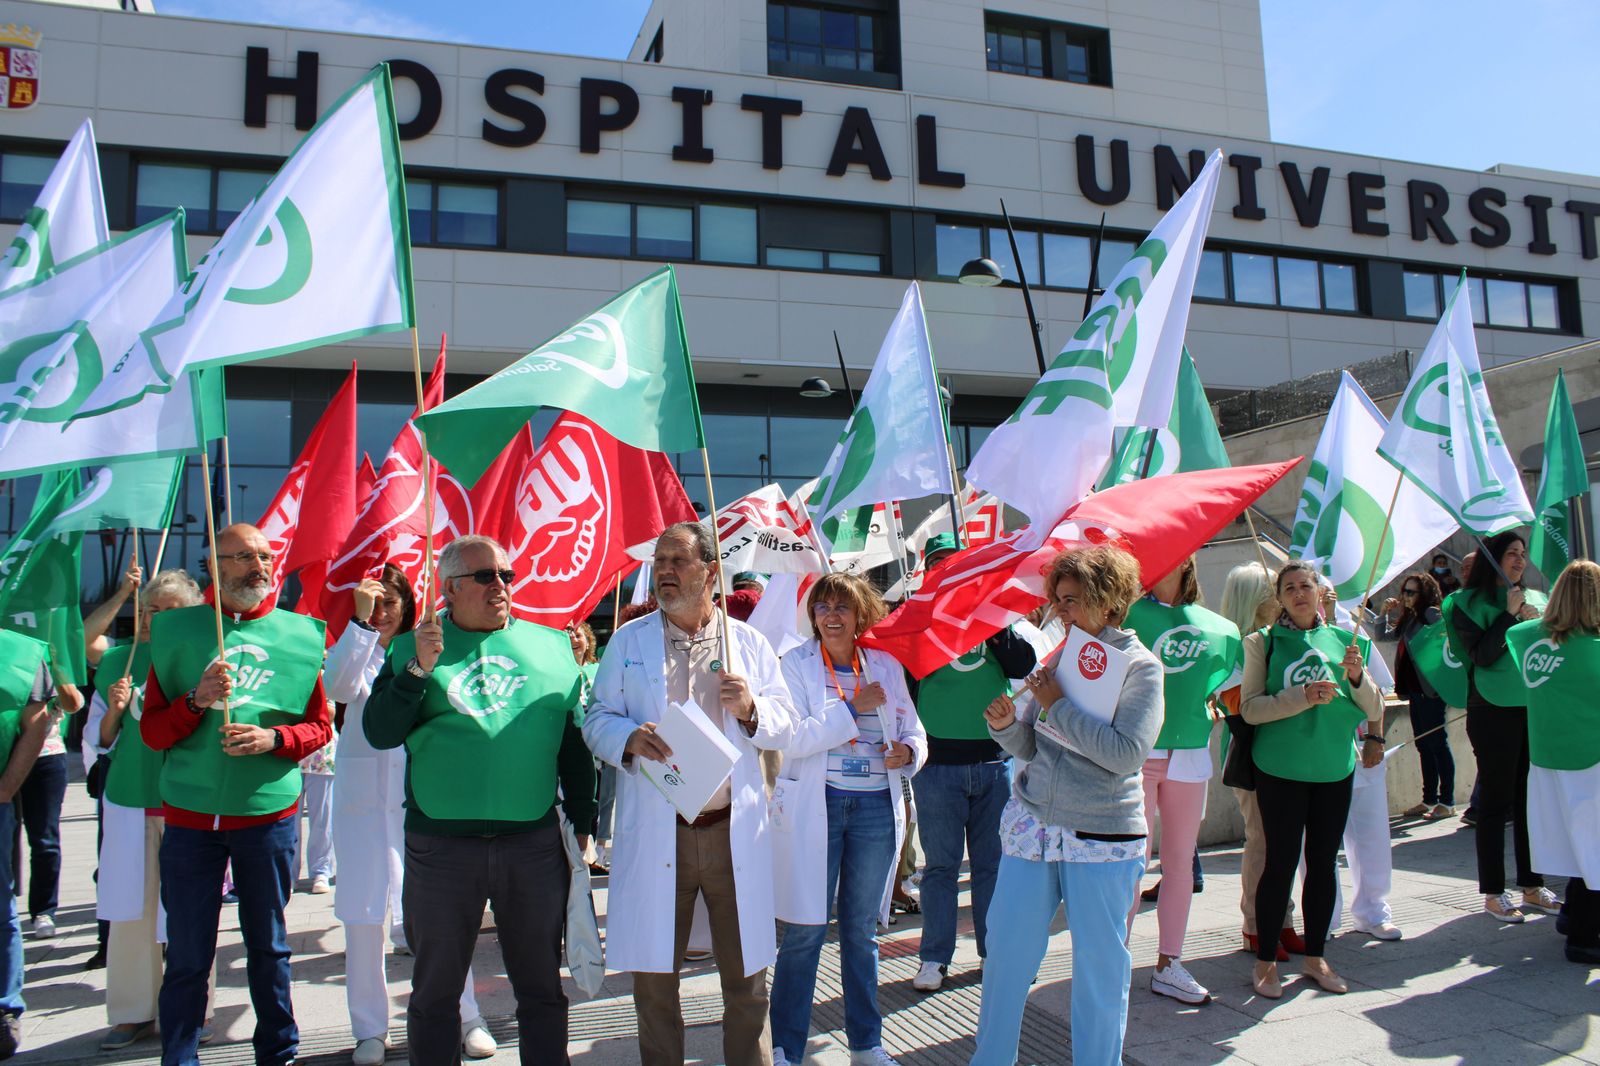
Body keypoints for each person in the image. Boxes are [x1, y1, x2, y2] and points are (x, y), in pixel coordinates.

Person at [365, 536, 595, 1066]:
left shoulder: (552, 645)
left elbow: (573, 746)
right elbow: (379, 732)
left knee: (540, 986)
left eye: (507, 576)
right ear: (449, 588)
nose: (502, 586)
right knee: (434, 994)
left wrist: (584, 821)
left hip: (531, 842)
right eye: (487, 576)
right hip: (441, 846)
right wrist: (417, 670)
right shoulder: (411, 647)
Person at [583, 521, 796, 1066]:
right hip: (661, 832)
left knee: (747, 980)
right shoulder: (630, 640)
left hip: (730, 834)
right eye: (659, 563)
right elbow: (596, 717)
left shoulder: (746, 644)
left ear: (711, 570)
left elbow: (786, 725)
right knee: (654, 983)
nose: (665, 573)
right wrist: (626, 737)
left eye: (678, 562)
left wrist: (752, 710)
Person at [141, 523, 334, 1066]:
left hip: (266, 817)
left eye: (266, 556)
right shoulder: (176, 631)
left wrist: (274, 738)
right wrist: (196, 701)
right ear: (215, 566)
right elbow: (153, 733)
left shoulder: (301, 635)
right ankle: (178, 1056)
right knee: (186, 954)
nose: (259, 566)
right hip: (191, 818)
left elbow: (320, 728)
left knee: (268, 948)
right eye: (244, 556)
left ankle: (278, 1051)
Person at [970, 545, 1161, 1065]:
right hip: (1034, 828)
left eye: (1073, 600)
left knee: (1100, 970)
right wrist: (1007, 725)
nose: (1061, 612)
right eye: (1058, 600)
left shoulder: (1142, 668)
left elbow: (1124, 756)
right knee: (1005, 958)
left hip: (1102, 834)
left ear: (1111, 600)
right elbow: (1033, 746)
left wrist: (1057, 704)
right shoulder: (1059, 659)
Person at [324, 567, 494, 1065]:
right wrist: (358, 628)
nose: (380, 614)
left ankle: (467, 1017)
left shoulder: (429, 648)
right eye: (370, 604)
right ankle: (370, 1030)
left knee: (441, 919)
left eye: (389, 604)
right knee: (363, 917)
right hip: (362, 806)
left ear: (408, 607)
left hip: (421, 798)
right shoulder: (355, 648)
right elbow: (338, 687)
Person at [769, 573, 927, 1066]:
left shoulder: (883, 664)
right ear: (812, 617)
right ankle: (786, 1049)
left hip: (876, 808)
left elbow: (913, 730)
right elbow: (790, 738)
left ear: (860, 614)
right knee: (805, 930)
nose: (831, 616)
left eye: (841, 607)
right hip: (821, 805)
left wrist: (909, 751)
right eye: (822, 608)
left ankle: (865, 1045)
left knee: (860, 932)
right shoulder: (793, 665)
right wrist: (850, 707)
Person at [1241, 560, 1385, 999]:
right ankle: (1265, 958)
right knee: (1280, 863)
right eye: (1290, 588)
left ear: (1320, 591)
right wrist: (1298, 698)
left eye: (1306, 585)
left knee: (1323, 864)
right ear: (1279, 597)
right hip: (1280, 769)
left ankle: (1317, 956)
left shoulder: (1347, 639)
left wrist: (1357, 677)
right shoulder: (1260, 643)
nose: (1300, 593)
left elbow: (1374, 706)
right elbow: (1250, 708)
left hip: (1333, 767)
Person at [83, 569, 209, 1052]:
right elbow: (102, 740)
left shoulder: (206, 655)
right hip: (133, 797)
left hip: (189, 798)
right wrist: (115, 709)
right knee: (132, 912)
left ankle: (196, 1011)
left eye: (169, 609)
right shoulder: (118, 660)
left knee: (190, 913)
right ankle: (131, 1011)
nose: (156, 618)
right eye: (151, 609)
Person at [908, 532, 1036, 993]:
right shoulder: (918, 622)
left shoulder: (993, 616)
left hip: (993, 761)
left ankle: (993, 952)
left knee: (992, 867)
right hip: (937, 766)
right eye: (938, 564)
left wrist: (993, 623)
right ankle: (934, 958)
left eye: (954, 563)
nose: (946, 572)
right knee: (940, 868)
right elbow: (904, 686)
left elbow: (1024, 663)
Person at [1123, 555, 1240, 1004]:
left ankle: (1169, 962)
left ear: (1188, 561)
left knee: (1178, 867)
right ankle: (1116, 958)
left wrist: (1219, 706)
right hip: (1134, 752)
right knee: (1130, 864)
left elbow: (1230, 695)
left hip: (1190, 754)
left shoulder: (1221, 628)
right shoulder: (1125, 614)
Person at [1444, 529, 1559, 923]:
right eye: (1511, 553)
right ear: (1492, 558)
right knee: (1495, 802)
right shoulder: (1464, 603)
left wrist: (1539, 621)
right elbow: (1481, 655)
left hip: (1537, 707)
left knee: (1533, 801)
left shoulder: (1540, 600)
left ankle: (1531, 884)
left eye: (1523, 554)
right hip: (1492, 710)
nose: (1519, 561)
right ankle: (1494, 891)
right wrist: (1509, 616)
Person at [1507, 559, 1600, 964]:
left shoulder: (1528, 638)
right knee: (1595, 849)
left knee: (1578, 846)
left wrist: (1539, 618)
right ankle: (1583, 936)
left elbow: (1515, 630)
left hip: (1547, 759)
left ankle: (1571, 915)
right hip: (1591, 758)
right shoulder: (1594, 651)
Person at [1217, 562, 1299, 962]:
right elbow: (1242, 708)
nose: (1279, 598)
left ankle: (1283, 921)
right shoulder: (1233, 646)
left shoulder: (1279, 638)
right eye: (1272, 591)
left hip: (1287, 753)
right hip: (1250, 756)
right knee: (1262, 842)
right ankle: (1255, 925)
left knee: (1284, 845)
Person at [0, 629, 58, 1059]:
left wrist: (4, 791)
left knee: (1, 908)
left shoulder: (21, 652)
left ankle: (4, 1007)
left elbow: (35, 724)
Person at [1376, 572, 1453, 819]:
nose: (1406, 597)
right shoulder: (1411, 618)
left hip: (1431, 690)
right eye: (1405, 592)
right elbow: (1383, 636)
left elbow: (1444, 640)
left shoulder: (1431, 614)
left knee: (1437, 742)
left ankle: (1447, 801)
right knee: (1423, 744)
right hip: (1416, 691)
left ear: (1424, 594)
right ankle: (1429, 799)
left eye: (1411, 592)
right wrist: (1382, 614)